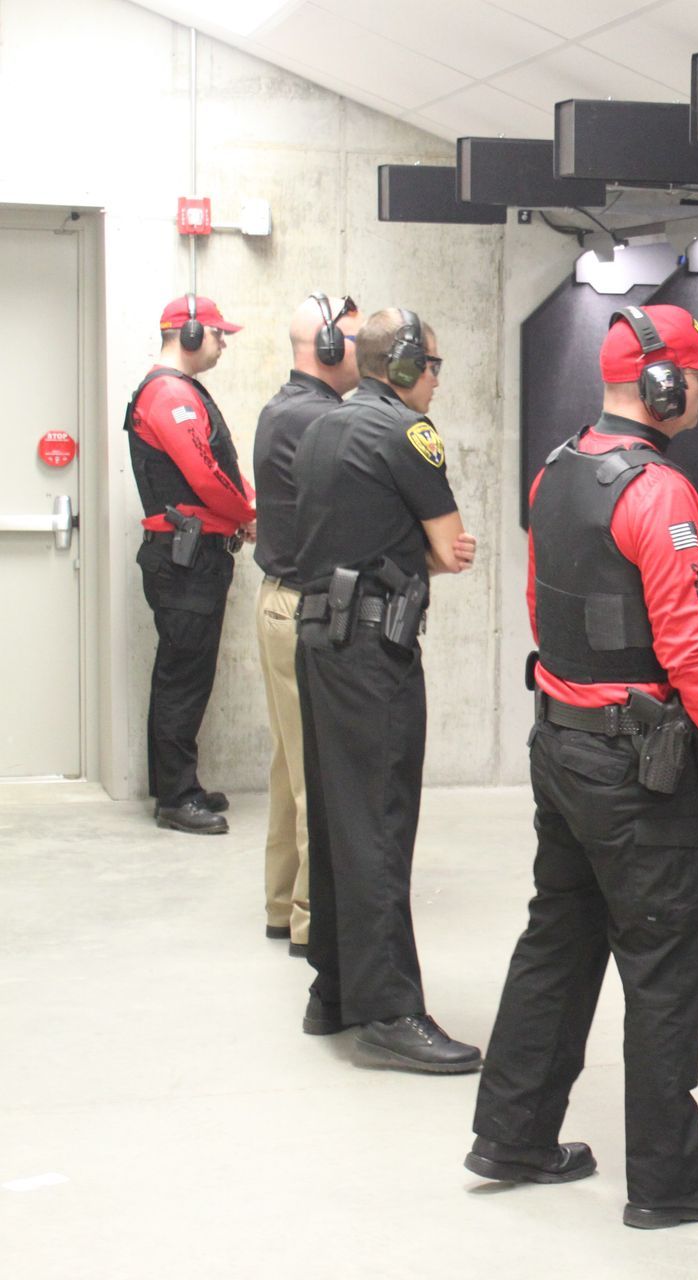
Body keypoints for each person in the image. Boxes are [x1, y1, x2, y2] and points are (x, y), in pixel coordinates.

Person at [467, 305, 698, 1231]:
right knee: (664, 966)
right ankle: (669, 1181)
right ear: (661, 385)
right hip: (637, 771)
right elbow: (693, 649)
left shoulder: (558, 470)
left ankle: (513, 1134)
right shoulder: (660, 493)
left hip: (562, 744)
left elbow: (539, 605)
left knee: (556, 944)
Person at [292, 307, 480, 1073]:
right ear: (402, 365)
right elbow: (450, 548)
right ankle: (391, 1010)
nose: (436, 380)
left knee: (340, 817)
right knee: (380, 823)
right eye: (432, 365)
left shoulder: (320, 428)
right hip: (375, 648)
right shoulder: (408, 434)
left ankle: (334, 990)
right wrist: (420, 550)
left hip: (321, 640)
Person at [252, 294, 361, 956]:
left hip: (280, 603)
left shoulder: (286, 409)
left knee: (290, 767)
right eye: (351, 338)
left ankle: (281, 904)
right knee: (316, 773)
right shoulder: (320, 423)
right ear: (323, 347)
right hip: (302, 609)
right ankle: (312, 922)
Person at [126, 294, 254, 835]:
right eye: (219, 334)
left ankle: (179, 785)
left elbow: (218, 466)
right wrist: (249, 512)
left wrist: (243, 509)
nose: (224, 344)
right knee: (183, 676)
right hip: (186, 560)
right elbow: (204, 476)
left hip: (193, 556)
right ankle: (177, 797)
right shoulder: (169, 394)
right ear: (191, 333)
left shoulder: (180, 393)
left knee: (188, 673)